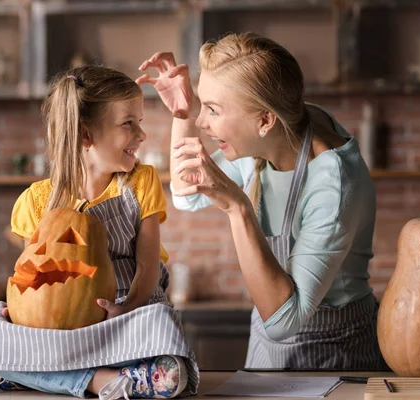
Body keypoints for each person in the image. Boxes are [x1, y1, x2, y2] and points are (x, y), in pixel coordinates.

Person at [137, 32, 385, 370]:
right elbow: (186, 195)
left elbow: (285, 320)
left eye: (212, 109)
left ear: (265, 120)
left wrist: (237, 207)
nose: (201, 122)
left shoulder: (333, 182)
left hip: (338, 357)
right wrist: (183, 112)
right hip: (267, 349)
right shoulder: (273, 133)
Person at [0, 65, 195, 398]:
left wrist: (127, 309)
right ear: (85, 135)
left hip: (126, 319)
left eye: (140, 122)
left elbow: (148, 267)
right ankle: (103, 380)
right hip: (61, 333)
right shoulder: (36, 201)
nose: (141, 135)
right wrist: (21, 314)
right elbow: (31, 275)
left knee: (165, 343)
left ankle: (46, 376)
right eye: (129, 123)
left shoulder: (140, 182)